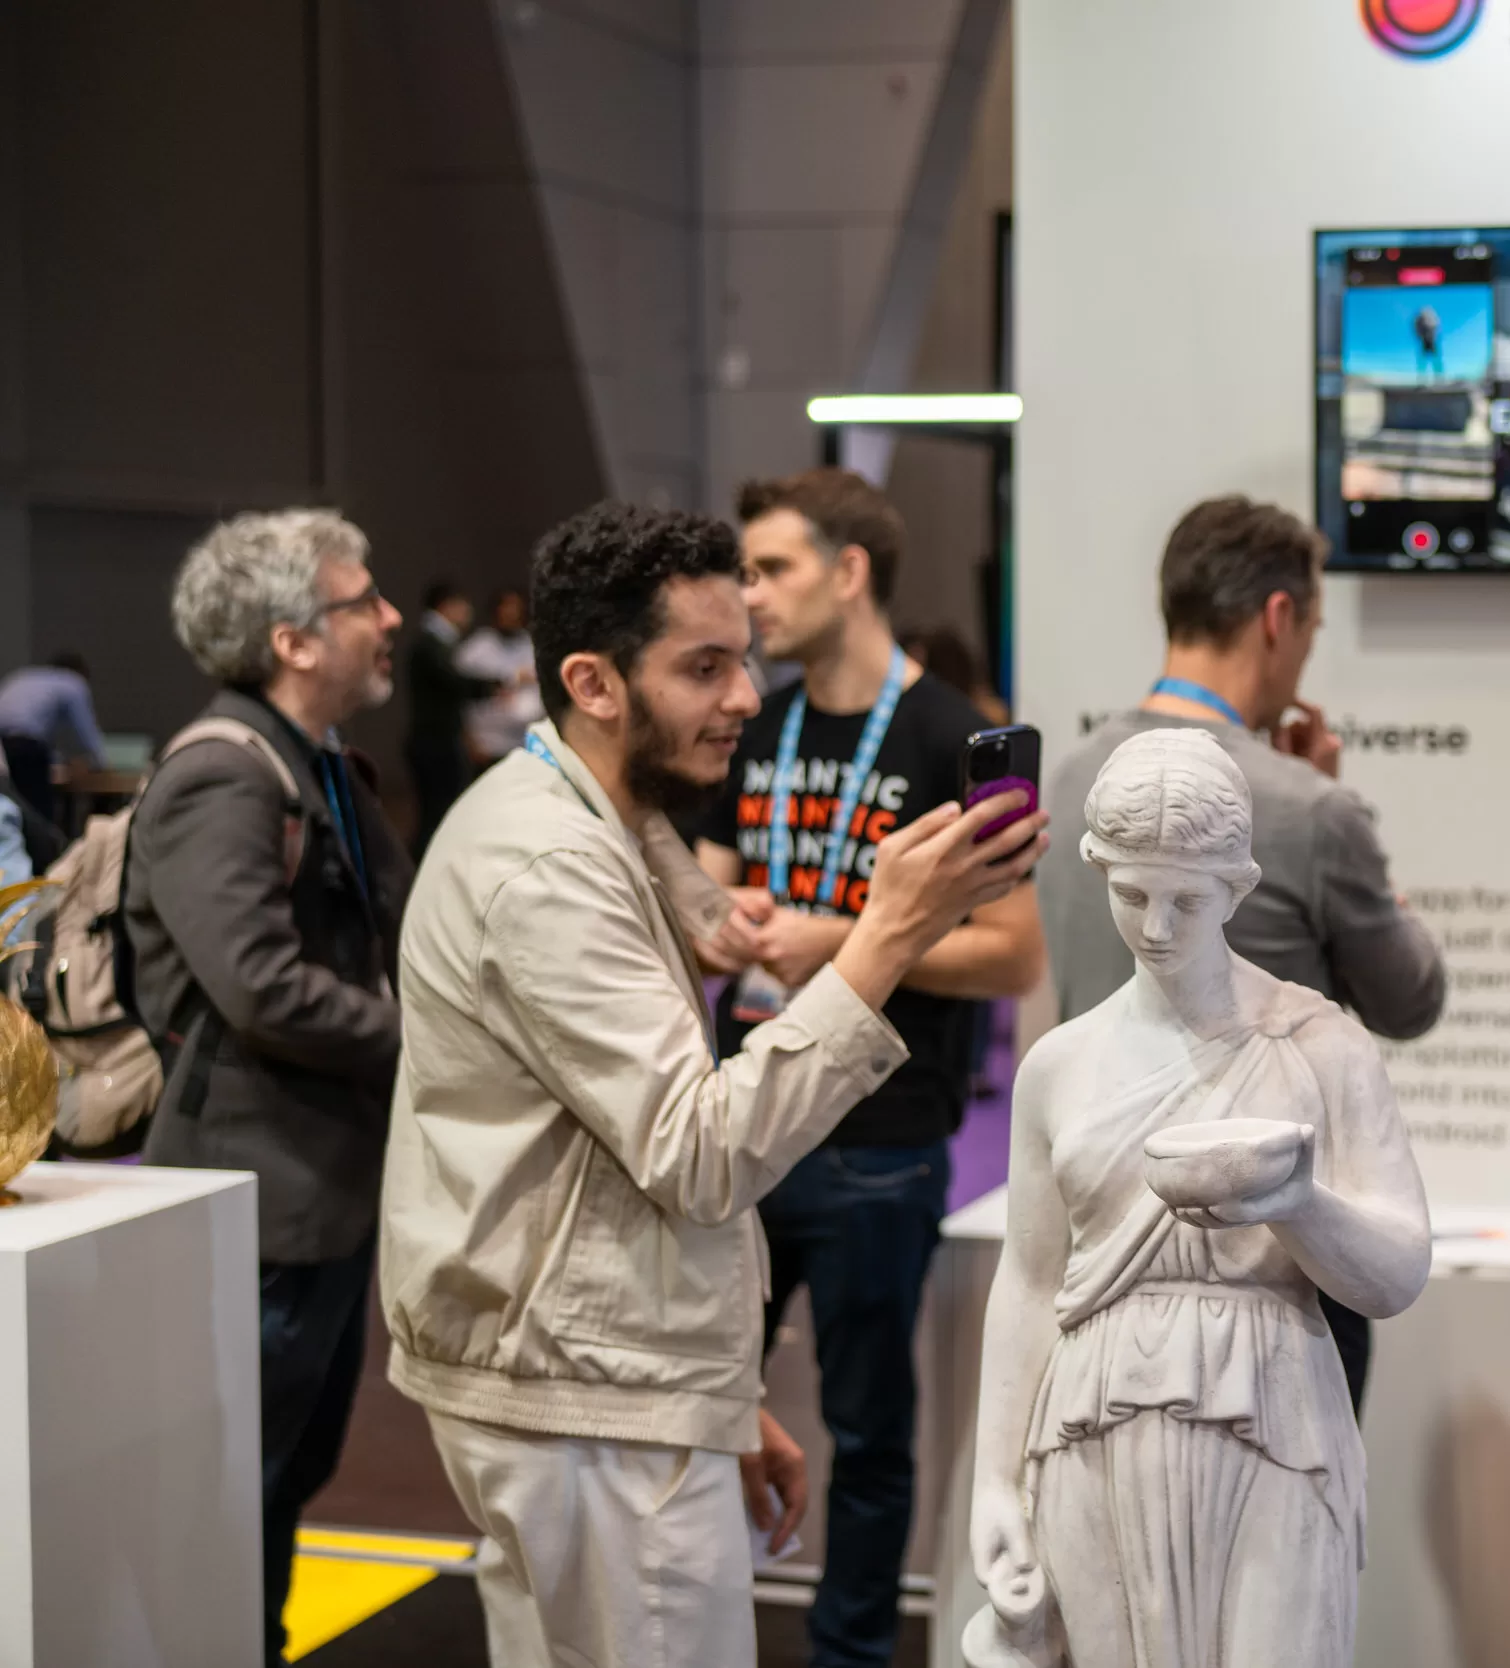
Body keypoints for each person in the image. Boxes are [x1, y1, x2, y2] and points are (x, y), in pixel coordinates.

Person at [379, 501, 1046, 1668]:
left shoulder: (595, 820)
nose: (744, 696)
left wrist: (718, 1398)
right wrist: (878, 940)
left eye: (742, 655)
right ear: (592, 682)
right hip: (581, 1407)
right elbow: (696, 1153)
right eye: (704, 666)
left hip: (602, 1384)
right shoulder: (545, 864)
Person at [967, 728, 1431, 1668]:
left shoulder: (1317, 1046)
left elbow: (1397, 1272)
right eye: (1131, 894)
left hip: (1274, 1414)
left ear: (1238, 887)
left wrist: (1300, 1203)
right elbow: (1028, 1279)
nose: (1157, 927)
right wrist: (992, 1483)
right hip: (1091, 1419)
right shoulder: (1059, 1065)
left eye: (1187, 899)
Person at [691, 467, 1048, 1668]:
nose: (749, 595)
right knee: (699, 1408)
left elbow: (1009, 956)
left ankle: (848, 1655)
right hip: (744, 1117)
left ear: (850, 573)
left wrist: (832, 942)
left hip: (881, 1140)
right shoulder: (758, 720)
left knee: (866, 1434)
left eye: (771, 567)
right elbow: (709, 871)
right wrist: (721, 912)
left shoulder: (951, 733)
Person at [1040, 494, 1444, 1414]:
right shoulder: (1307, 807)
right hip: (1276, 1274)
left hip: (1097, 1239)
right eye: (1310, 629)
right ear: (1277, 617)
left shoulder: (1072, 783)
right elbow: (1411, 1000)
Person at [125, 510, 414, 1667]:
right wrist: (425, 1040)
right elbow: (259, 988)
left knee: (283, 1475)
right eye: (363, 601)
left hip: (312, 1194)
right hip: (261, 1206)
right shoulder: (222, 776)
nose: (390, 618)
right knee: (235, 1487)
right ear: (293, 640)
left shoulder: (317, 767)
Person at [404, 581, 504, 855]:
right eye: (462, 605)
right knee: (438, 814)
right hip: (435, 741)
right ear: (447, 606)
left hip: (437, 739)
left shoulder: (438, 641)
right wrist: (497, 684)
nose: (467, 612)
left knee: (440, 812)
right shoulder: (430, 642)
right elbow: (452, 680)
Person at [0, 651, 110, 828]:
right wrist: (103, 766)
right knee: (39, 811)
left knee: (15, 806)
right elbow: (86, 732)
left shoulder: (26, 676)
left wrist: (55, 760)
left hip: (4, 747)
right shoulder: (73, 682)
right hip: (25, 745)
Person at [453, 586, 543, 764]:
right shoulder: (474, 649)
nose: (511, 614)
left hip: (526, 744)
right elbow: (458, 700)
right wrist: (469, 741)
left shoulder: (532, 646)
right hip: (487, 745)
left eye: (516, 608)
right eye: (506, 608)